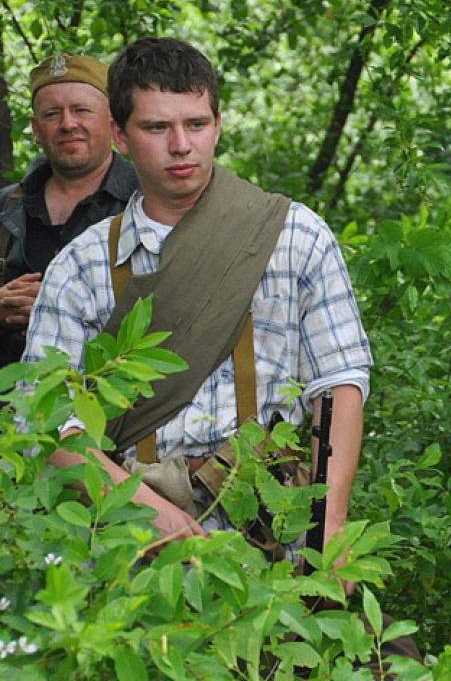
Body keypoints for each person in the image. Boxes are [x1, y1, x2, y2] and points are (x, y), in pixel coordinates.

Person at [21, 37, 370, 567]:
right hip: (129, 535)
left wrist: (332, 527)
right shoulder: (81, 267)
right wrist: (145, 510)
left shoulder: (294, 235)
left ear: (218, 124)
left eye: (196, 124)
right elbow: (46, 423)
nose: (181, 145)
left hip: (276, 526)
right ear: (120, 135)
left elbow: (339, 384)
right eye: (157, 128)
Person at [0, 53, 137, 367]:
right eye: (52, 114)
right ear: (36, 128)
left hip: (111, 406)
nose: (67, 124)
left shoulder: (146, 204)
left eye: (81, 110)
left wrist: (59, 311)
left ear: (113, 121)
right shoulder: (6, 206)